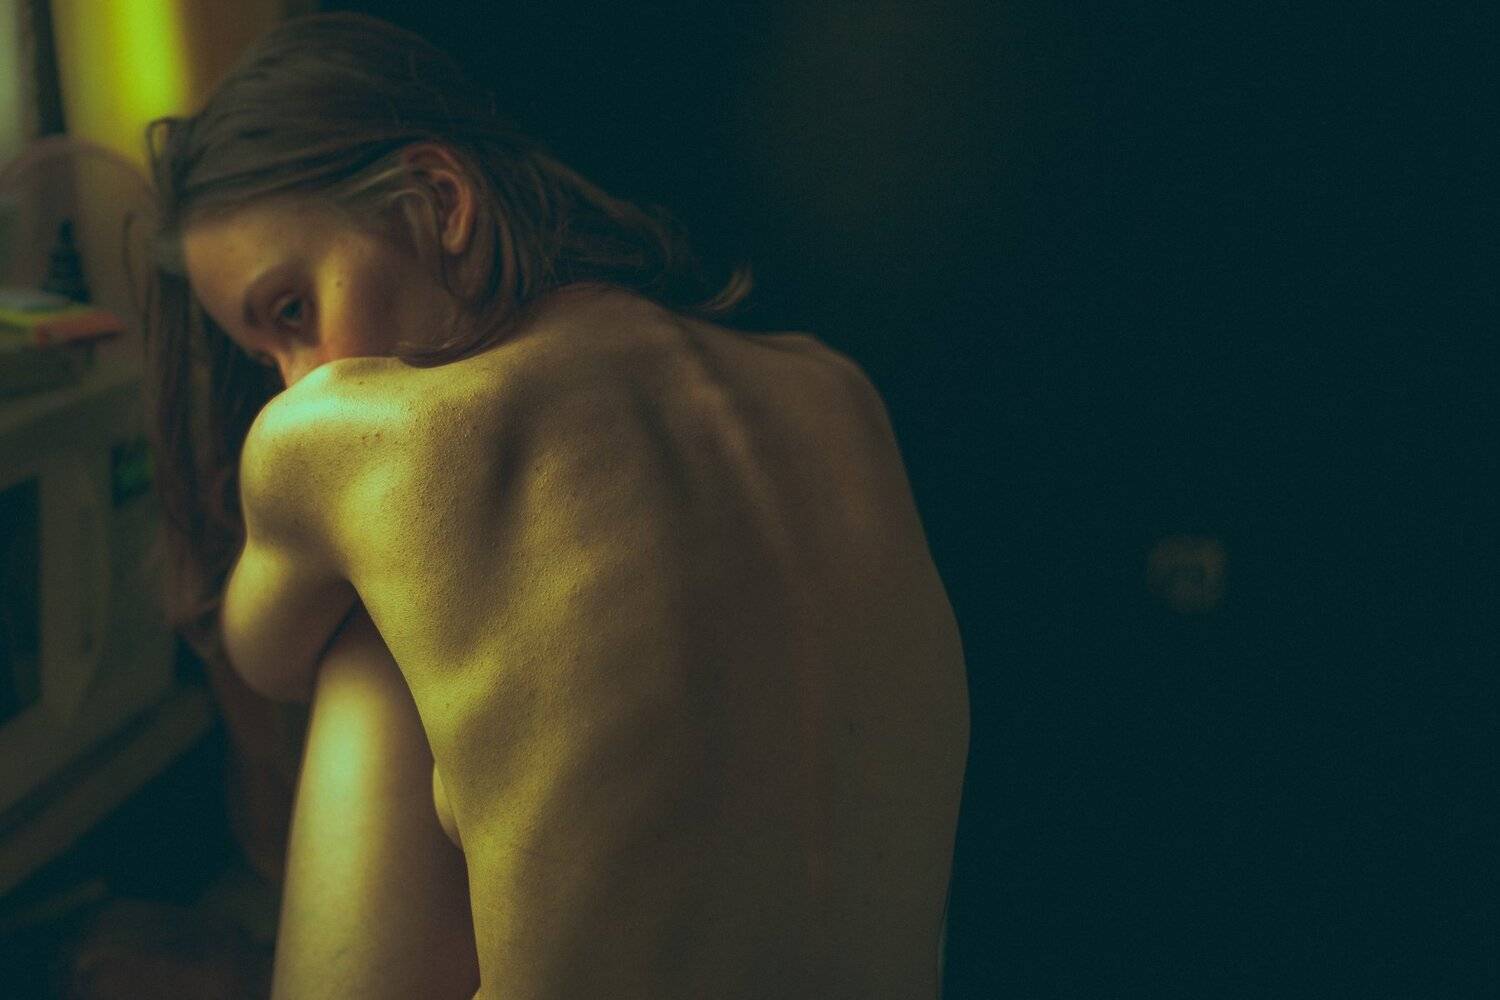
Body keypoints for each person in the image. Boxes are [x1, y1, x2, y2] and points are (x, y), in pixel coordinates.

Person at [142, 12, 969, 999]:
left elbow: (263, 655)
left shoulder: (346, 436)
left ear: (440, 201)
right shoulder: (834, 389)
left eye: (293, 311)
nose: (297, 379)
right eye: (266, 356)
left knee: (361, 628)